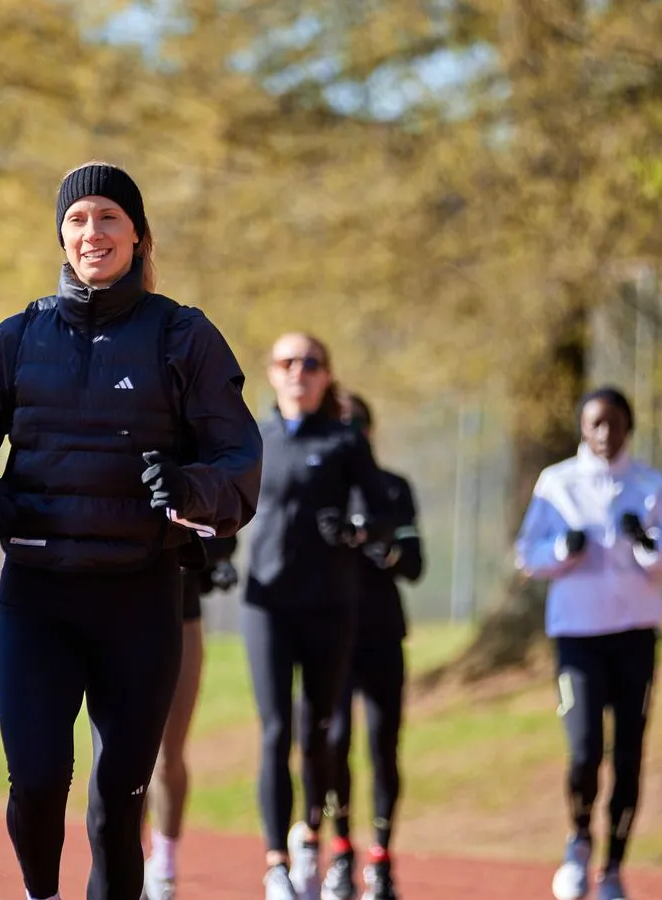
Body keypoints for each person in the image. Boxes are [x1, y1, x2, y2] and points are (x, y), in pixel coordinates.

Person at [0, 160, 262, 900]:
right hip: (37, 599)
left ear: (139, 235)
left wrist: (189, 488)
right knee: (38, 781)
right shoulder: (18, 338)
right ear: (60, 233)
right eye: (78, 219)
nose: (93, 233)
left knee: (120, 798)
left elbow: (238, 459)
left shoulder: (183, 337)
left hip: (141, 599)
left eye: (110, 218)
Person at [514, 387, 662, 900]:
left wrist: (646, 547)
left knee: (630, 753)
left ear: (628, 427)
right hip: (577, 636)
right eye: (595, 423)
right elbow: (528, 555)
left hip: (635, 635)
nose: (605, 433)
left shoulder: (651, 487)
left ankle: (614, 866)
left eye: (615, 423)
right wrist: (560, 550)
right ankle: (577, 840)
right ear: (581, 428)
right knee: (584, 749)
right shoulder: (558, 483)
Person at [242, 333, 396, 900]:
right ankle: (277, 861)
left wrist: (358, 529)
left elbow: (383, 514)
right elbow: (220, 505)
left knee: (323, 733)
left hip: (331, 606)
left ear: (326, 375)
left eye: (310, 363)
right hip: (267, 606)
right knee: (276, 730)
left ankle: (312, 833)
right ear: (271, 372)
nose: (298, 372)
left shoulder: (344, 441)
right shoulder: (253, 439)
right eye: (287, 362)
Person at [314, 393, 424, 900]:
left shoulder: (393, 487)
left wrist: (386, 548)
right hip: (333, 633)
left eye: (358, 422)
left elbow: (415, 564)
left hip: (381, 632)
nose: (350, 430)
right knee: (333, 742)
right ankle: (340, 850)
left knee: (383, 744)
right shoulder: (321, 485)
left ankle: (380, 857)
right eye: (341, 422)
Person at [142, 534, 239, 900]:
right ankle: (125, 866)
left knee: (167, 757)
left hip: (182, 615)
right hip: (119, 615)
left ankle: (164, 870)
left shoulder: (189, 473)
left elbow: (223, 525)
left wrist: (210, 556)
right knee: (123, 759)